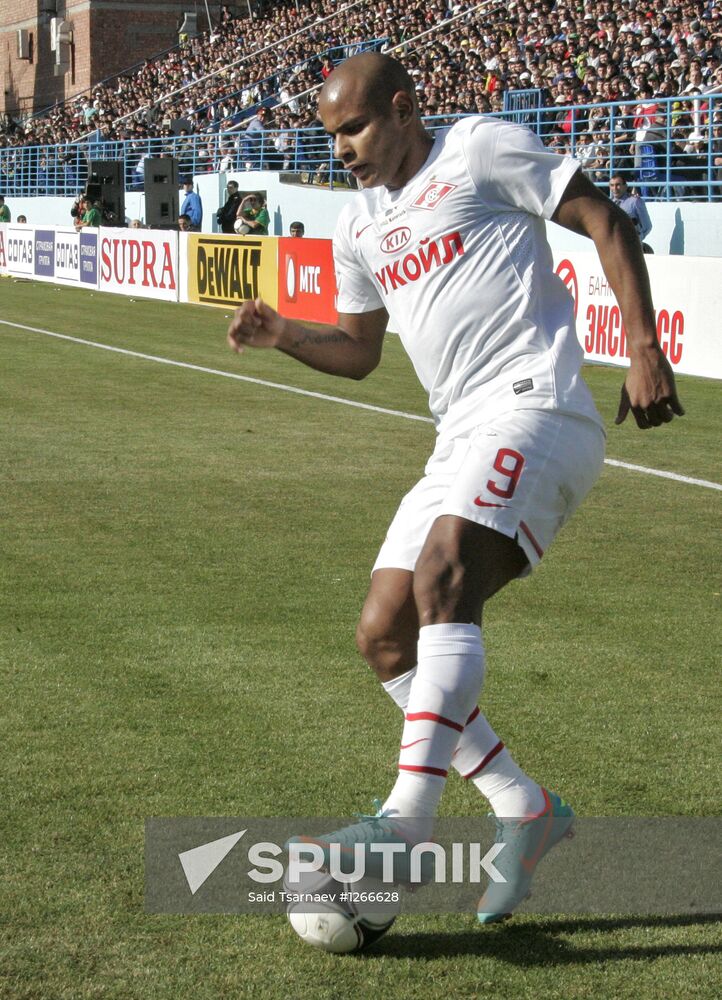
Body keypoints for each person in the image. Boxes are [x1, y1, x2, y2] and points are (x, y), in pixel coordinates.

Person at [227, 54, 683, 923]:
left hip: (537, 405)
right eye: (331, 136)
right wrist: (285, 333)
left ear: (403, 110)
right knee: (384, 634)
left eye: (355, 129)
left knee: (444, 574)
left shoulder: (478, 149)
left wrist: (643, 346)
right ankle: (524, 806)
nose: (342, 150)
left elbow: (603, 219)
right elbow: (361, 351)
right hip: (458, 434)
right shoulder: (358, 226)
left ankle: (405, 824)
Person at [609, 175, 654, 253]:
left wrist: (636, 239)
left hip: (632, 247)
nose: (615, 188)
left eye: (618, 185)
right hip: (614, 246)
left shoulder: (635, 202)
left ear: (625, 186)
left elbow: (647, 226)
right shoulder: (608, 203)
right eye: (612, 185)